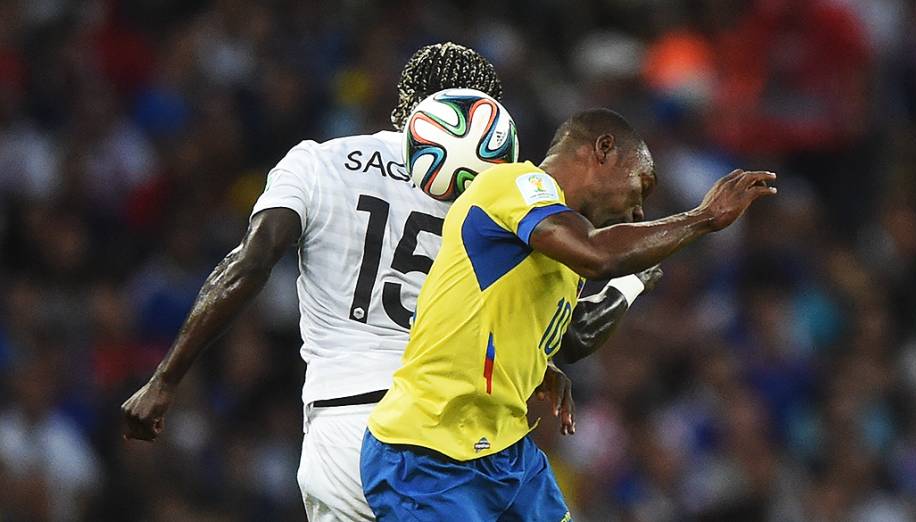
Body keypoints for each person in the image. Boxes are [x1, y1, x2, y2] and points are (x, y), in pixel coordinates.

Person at [121, 43, 658, 521]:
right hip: (448, 432)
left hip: (340, 432)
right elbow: (569, 330)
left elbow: (247, 265)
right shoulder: (510, 195)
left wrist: (166, 379)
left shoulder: (319, 163)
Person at [361, 108, 777, 521]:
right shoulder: (514, 184)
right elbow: (598, 254)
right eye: (640, 188)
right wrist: (702, 217)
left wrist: (544, 355)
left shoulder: (560, 250)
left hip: (504, 453)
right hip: (427, 452)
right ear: (604, 150)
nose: (637, 213)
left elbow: (574, 335)